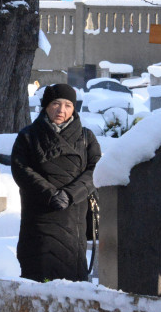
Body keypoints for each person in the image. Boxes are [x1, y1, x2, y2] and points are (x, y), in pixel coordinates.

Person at [12, 83, 101, 283]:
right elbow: (22, 170)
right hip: (39, 218)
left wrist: (69, 195)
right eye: (56, 104)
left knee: (71, 286)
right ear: (45, 106)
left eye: (68, 105)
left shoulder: (86, 137)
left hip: (73, 218)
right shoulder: (28, 136)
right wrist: (50, 194)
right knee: (37, 280)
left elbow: (95, 170)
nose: (62, 110)